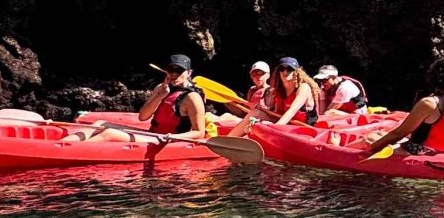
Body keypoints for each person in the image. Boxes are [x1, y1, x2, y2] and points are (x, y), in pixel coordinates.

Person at [62, 54, 215, 143]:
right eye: (171, 69)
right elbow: (143, 117)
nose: (174, 74)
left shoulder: (193, 98)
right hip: (153, 134)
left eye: (179, 71)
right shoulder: (160, 88)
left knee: (110, 134)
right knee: (100, 124)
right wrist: (160, 96)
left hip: (167, 140)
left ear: (189, 73)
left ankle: (70, 151)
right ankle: (60, 145)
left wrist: (173, 138)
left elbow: (198, 133)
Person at [360, 65, 444, 157]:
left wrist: (371, 149)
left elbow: (399, 133)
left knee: (368, 139)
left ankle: (350, 154)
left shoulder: (429, 103)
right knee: (379, 134)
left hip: (422, 151)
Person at [229, 57, 319, 134]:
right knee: (256, 113)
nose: (285, 71)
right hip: (286, 125)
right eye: (282, 69)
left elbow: (291, 112)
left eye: (289, 69)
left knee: (262, 123)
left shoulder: (304, 87)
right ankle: (229, 139)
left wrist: (274, 129)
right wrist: (261, 114)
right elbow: (276, 114)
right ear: (278, 72)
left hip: (302, 128)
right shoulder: (278, 90)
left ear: (297, 72)